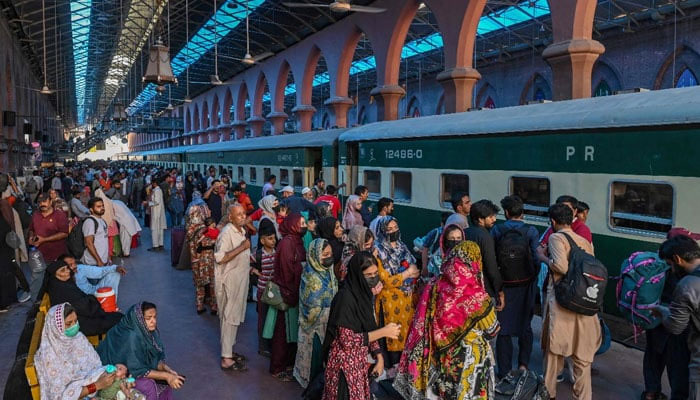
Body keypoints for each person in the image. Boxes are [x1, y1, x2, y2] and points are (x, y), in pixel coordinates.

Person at [394, 241, 500, 399]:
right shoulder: (478, 296)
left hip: (441, 358)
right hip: (470, 362)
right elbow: (492, 330)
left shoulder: (434, 286)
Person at [536, 203, 600, 400]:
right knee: (581, 357)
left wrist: (542, 257)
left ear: (553, 221)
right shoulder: (584, 240)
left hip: (562, 304)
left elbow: (561, 267)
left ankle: (549, 394)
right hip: (583, 302)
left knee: (554, 353)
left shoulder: (556, 237)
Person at [322, 251, 399, 400]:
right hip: (343, 368)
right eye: (368, 275)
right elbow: (347, 340)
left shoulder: (364, 295)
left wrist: (379, 356)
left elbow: (368, 326)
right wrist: (383, 332)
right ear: (358, 275)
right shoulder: (345, 298)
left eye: (376, 273)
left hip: (358, 364)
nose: (374, 278)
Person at [641, 228, 693, 400]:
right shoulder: (685, 276)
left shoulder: (656, 266)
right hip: (674, 323)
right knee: (676, 365)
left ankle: (650, 392)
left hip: (655, 318)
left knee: (653, 357)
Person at [490, 195, 540, 377]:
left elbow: (492, 259)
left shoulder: (497, 230)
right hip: (526, 285)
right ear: (522, 212)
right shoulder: (531, 232)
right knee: (525, 325)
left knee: (503, 328)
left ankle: (504, 371)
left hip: (504, 286)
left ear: (506, 212)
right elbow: (536, 259)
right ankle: (523, 366)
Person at [98, 302, 183, 400]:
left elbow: (153, 359)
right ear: (139, 320)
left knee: (167, 381)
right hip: (114, 375)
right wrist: (166, 376)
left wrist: (168, 370)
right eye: (148, 318)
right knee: (149, 385)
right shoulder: (131, 337)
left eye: (155, 317)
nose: (153, 321)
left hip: (132, 369)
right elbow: (137, 369)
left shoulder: (146, 331)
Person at [651, 235, 700, 400]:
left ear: (678, 259)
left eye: (670, 265)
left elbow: (675, 327)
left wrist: (662, 311)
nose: (671, 270)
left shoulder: (687, 285)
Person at [35, 303, 117, 400]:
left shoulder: (77, 337)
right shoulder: (49, 356)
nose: (74, 326)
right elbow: (59, 396)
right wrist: (96, 385)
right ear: (56, 328)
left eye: (75, 321)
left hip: (92, 385)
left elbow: (95, 365)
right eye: (69, 324)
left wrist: (104, 376)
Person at [374, 216, 420, 369]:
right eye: (389, 229)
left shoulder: (402, 246)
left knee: (405, 337)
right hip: (389, 305)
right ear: (382, 231)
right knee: (390, 337)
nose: (393, 231)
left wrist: (409, 273)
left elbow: (416, 270)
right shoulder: (378, 251)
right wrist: (407, 274)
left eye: (395, 228)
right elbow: (385, 281)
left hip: (406, 302)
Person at [294, 238, 338, 388]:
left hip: (328, 322)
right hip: (314, 326)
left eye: (330, 254)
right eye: (325, 254)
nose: (329, 257)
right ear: (315, 255)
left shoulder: (329, 272)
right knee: (314, 357)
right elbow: (310, 303)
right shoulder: (310, 276)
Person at [214, 204, 252, 371]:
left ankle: (229, 351)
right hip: (229, 282)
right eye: (238, 214)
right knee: (229, 317)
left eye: (244, 213)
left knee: (234, 316)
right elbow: (220, 258)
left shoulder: (240, 230)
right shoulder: (226, 233)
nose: (243, 216)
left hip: (239, 280)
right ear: (230, 217)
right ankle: (226, 358)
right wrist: (242, 248)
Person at [269, 213, 307, 381]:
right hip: (287, 292)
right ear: (293, 225)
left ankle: (289, 363)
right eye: (302, 223)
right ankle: (278, 367)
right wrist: (291, 291)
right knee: (282, 333)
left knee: (291, 332)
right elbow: (286, 270)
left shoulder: (297, 241)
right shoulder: (286, 244)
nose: (305, 226)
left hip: (295, 291)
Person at [44, 259, 123, 335]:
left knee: (117, 317)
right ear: (54, 275)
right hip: (76, 324)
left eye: (67, 268)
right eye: (62, 270)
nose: (68, 271)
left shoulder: (64, 283)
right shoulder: (60, 289)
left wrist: (90, 301)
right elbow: (82, 307)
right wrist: (92, 300)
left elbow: (81, 302)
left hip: (81, 316)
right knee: (118, 319)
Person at [465, 199, 505, 310]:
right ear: (480, 220)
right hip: (484, 290)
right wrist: (500, 291)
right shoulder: (485, 236)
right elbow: (491, 266)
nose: (494, 219)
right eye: (490, 217)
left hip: (467, 288)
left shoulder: (464, 232)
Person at [186, 191, 216, 314]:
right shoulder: (205, 230)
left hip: (195, 261)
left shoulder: (189, 230)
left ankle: (199, 305)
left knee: (199, 284)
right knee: (212, 283)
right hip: (208, 260)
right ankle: (214, 306)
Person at [251, 225, 277, 356]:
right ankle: (263, 346)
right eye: (270, 239)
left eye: (274, 238)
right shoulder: (258, 254)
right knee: (263, 318)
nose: (273, 241)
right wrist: (255, 271)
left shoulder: (277, 252)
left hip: (274, 291)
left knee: (272, 318)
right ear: (262, 241)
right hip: (262, 291)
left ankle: (271, 344)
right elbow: (247, 264)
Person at [28, 192, 69, 263]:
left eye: (44, 201)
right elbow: (31, 229)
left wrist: (44, 240)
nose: (42, 204)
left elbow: (64, 233)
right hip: (39, 256)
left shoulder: (60, 215)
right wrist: (31, 237)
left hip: (56, 256)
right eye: (39, 202)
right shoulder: (36, 214)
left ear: (50, 202)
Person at [82, 197, 110, 266]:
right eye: (98, 206)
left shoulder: (102, 221)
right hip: (93, 263)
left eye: (103, 206)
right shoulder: (90, 222)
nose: (102, 208)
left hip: (102, 261)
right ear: (91, 209)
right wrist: (99, 260)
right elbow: (89, 243)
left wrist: (107, 257)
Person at [148, 179, 166, 251]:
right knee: (160, 229)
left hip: (156, 212)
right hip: (158, 211)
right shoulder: (157, 190)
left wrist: (148, 203)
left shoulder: (157, 191)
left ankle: (155, 245)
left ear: (154, 183)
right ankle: (160, 244)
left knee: (155, 229)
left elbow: (157, 202)